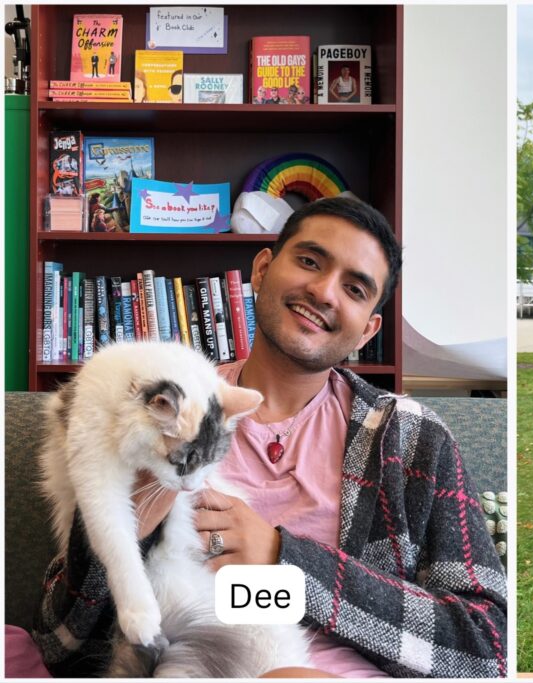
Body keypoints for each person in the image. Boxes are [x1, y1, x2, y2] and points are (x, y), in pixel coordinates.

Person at [31, 196, 508, 678]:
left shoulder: (412, 438)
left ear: (369, 330)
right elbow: (58, 641)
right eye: (308, 261)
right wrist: (128, 532)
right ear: (261, 270)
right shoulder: (165, 413)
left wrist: (285, 562)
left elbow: (487, 647)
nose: (324, 291)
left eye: (356, 289)